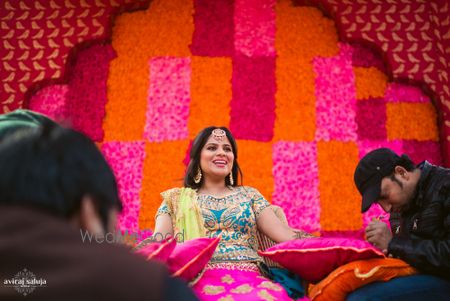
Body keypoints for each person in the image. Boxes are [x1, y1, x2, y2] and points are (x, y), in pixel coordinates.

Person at [0, 112, 198, 301]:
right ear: (90, 209)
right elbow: (160, 239)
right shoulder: (145, 286)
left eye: (226, 148)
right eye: (112, 226)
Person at [148, 126, 312, 300]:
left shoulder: (250, 195)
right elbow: (159, 245)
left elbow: (284, 234)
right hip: (197, 279)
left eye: (227, 149)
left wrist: (330, 246)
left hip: (251, 279)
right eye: (212, 148)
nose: (222, 153)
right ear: (197, 157)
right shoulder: (175, 200)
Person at [350, 147, 450, 300]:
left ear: (402, 173)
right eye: (379, 203)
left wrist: (393, 243)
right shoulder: (399, 209)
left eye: (385, 195)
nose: (387, 208)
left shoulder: (445, 185)